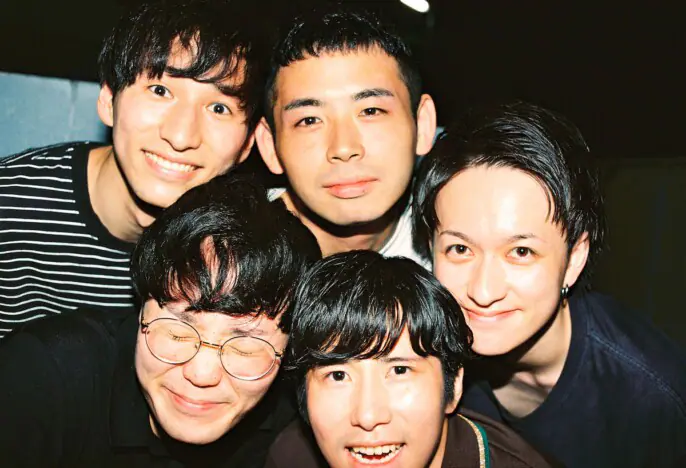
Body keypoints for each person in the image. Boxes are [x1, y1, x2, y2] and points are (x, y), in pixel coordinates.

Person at [411, 101, 686, 467]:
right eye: (460, 249)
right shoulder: (417, 354)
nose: (483, 291)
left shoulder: (651, 399)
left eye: (521, 252)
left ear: (574, 259)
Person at [0, 173, 321, 467]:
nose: (202, 374)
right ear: (141, 309)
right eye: (178, 332)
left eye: (244, 347)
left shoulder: (299, 428)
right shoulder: (46, 375)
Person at [0, 0, 267, 336]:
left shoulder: (243, 252)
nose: (181, 136)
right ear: (108, 100)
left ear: (248, 143)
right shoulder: (11, 208)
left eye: (218, 108)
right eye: (160, 90)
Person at [265, 251, 553, 468]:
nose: (368, 416)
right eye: (338, 375)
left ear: (453, 386)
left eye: (400, 370)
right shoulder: (291, 456)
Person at [255, 7, 436, 265]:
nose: (343, 148)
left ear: (423, 125)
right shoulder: (220, 261)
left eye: (371, 111)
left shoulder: (460, 255)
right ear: (270, 146)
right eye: (309, 120)